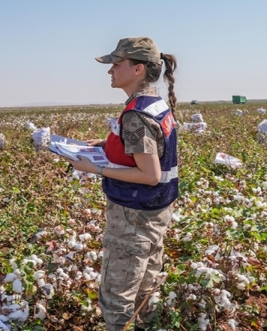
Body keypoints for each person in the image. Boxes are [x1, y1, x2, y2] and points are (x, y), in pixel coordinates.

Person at [66, 37, 178, 331]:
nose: (110, 71)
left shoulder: (136, 115)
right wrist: (108, 144)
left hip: (134, 216)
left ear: (138, 69)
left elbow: (150, 174)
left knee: (117, 298)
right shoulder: (152, 104)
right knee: (146, 287)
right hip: (155, 212)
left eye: (117, 64)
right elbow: (152, 149)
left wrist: (96, 168)